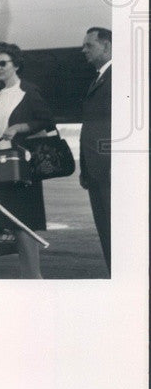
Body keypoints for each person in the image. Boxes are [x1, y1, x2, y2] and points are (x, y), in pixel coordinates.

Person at [0, 41, 55, 279]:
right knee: (3, 222)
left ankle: (34, 278)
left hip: (23, 167)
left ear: (16, 65)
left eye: (3, 63)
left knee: (24, 225)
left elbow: (46, 121)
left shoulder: (28, 91)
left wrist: (19, 127)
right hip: (0, 165)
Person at [80, 27, 112, 272]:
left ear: (107, 46)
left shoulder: (118, 76)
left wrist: (112, 165)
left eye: (89, 46)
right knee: (107, 233)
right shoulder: (101, 77)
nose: (84, 50)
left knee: (115, 234)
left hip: (109, 172)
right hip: (97, 172)